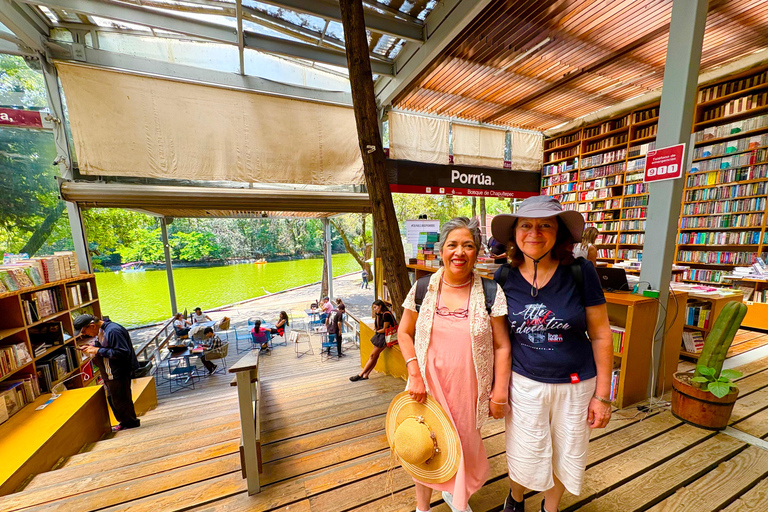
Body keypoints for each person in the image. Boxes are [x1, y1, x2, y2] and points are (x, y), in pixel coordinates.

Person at [490, 196, 613, 512]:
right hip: (524, 383)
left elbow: (600, 335)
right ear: (515, 233)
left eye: (545, 224)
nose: (534, 232)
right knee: (523, 448)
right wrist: (498, 389)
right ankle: (515, 499)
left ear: (558, 232)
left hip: (575, 384)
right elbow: (500, 341)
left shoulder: (580, 272)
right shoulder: (503, 277)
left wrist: (603, 396)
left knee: (565, 448)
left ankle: (550, 507)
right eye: (526, 225)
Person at [397, 217, 512, 512]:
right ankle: (423, 508)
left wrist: (499, 392)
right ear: (441, 250)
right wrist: (414, 373)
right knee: (423, 443)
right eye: (453, 245)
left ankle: (458, 499)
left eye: (468, 246)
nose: (459, 252)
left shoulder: (490, 292)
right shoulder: (423, 288)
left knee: (462, 444)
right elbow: (403, 332)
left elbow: (502, 345)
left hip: (468, 389)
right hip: (426, 385)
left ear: (477, 252)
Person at [74, 314, 141, 432]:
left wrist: (98, 350)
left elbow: (122, 352)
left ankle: (130, 423)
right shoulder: (103, 331)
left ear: (92, 326)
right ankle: (125, 422)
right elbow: (106, 346)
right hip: (110, 372)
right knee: (114, 399)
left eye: (84, 331)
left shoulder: (113, 331)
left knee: (121, 399)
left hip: (118, 372)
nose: (84, 335)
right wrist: (92, 347)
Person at [349, 300, 396, 382]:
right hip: (381, 336)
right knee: (375, 356)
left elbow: (384, 329)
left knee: (372, 356)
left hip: (385, 337)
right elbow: (377, 326)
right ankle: (366, 375)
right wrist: (377, 315)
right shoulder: (380, 314)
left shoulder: (386, 315)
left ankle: (360, 374)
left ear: (380, 306)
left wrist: (377, 332)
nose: (374, 309)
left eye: (375, 307)